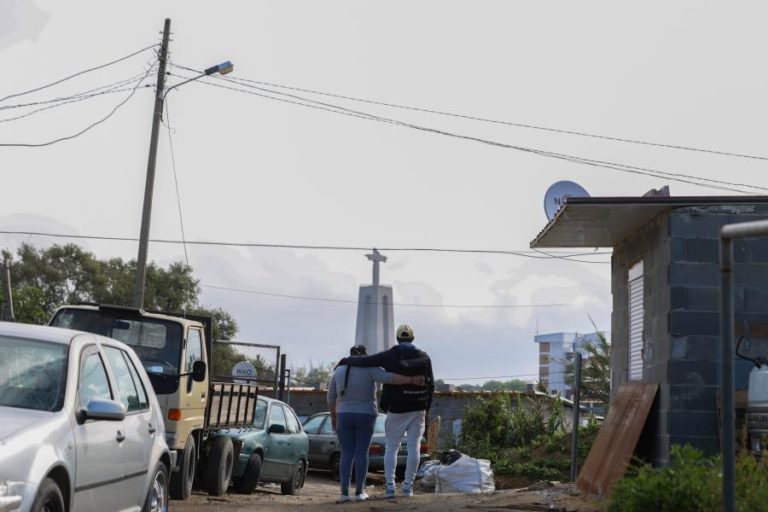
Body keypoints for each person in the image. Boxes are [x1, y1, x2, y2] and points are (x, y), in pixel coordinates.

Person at [337, 324, 434, 498]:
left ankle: (390, 486)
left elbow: (366, 361)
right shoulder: (424, 357)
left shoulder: (390, 355)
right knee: (414, 447)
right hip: (418, 408)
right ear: (412, 338)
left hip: (397, 409)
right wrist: (427, 408)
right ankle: (408, 487)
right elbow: (431, 385)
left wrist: (346, 360)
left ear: (397, 339)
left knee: (392, 447)